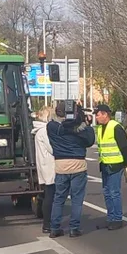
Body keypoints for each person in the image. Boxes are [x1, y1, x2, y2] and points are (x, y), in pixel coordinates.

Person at [46, 100, 96, 237]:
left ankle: (54, 228)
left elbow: (58, 126)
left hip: (61, 166)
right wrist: (86, 124)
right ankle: (74, 228)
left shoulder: (52, 127)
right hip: (78, 165)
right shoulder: (81, 129)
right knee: (77, 199)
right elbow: (90, 140)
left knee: (59, 198)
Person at [94, 104, 127, 229]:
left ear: (105, 114)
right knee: (107, 192)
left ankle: (117, 219)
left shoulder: (115, 127)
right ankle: (110, 217)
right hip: (105, 164)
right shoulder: (99, 128)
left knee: (114, 192)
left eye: (98, 115)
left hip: (116, 165)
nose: (96, 117)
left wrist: (124, 163)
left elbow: (125, 147)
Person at [31, 106, 56, 233]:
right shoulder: (45, 131)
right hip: (49, 166)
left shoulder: (38, 131)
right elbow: (51, 148)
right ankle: (47, 224)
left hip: (43, 166)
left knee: (47, 195)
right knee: (50, 197)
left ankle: (48, 223)